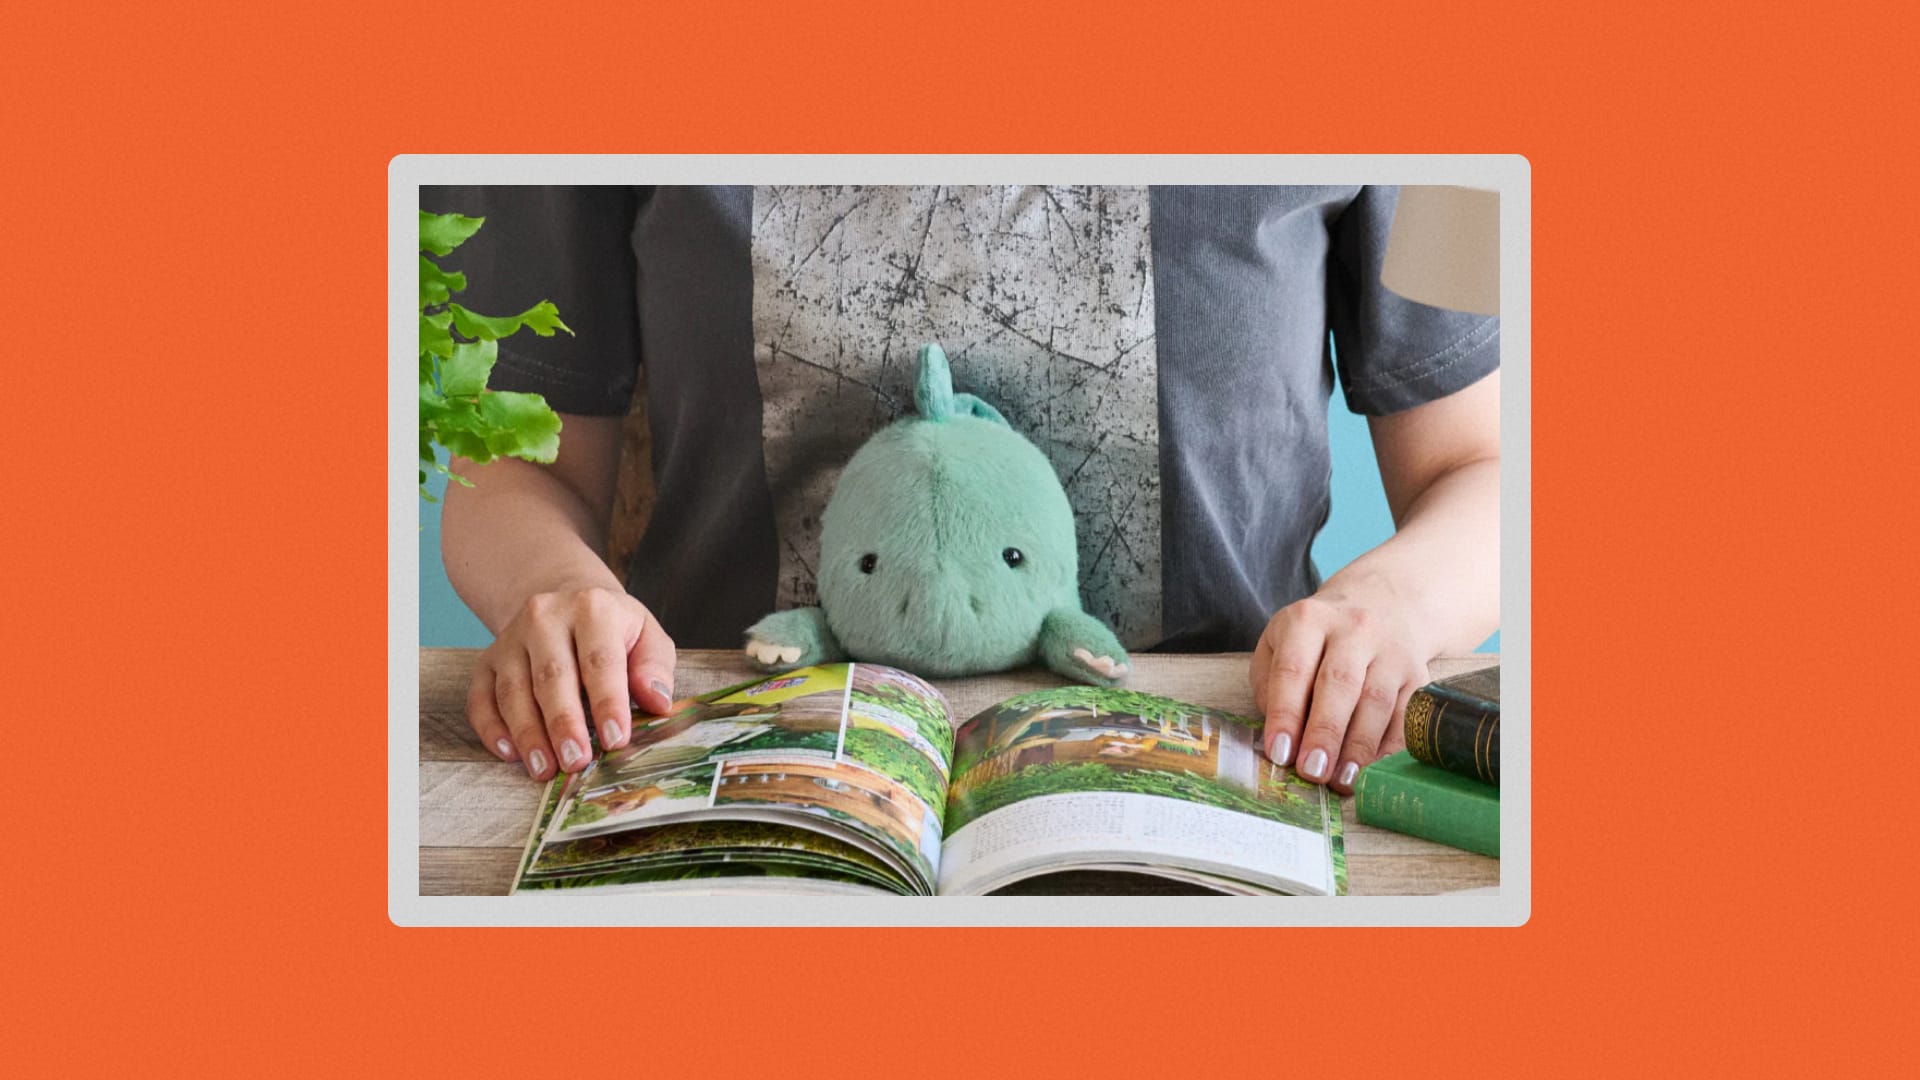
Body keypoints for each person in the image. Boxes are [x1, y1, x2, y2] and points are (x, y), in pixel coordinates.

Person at [432, 185, 1499, 795]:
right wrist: (558, 590)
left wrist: (1393, 607)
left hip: (1229, 770)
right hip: (733, 765)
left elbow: (1482, 469)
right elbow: (516, 462)